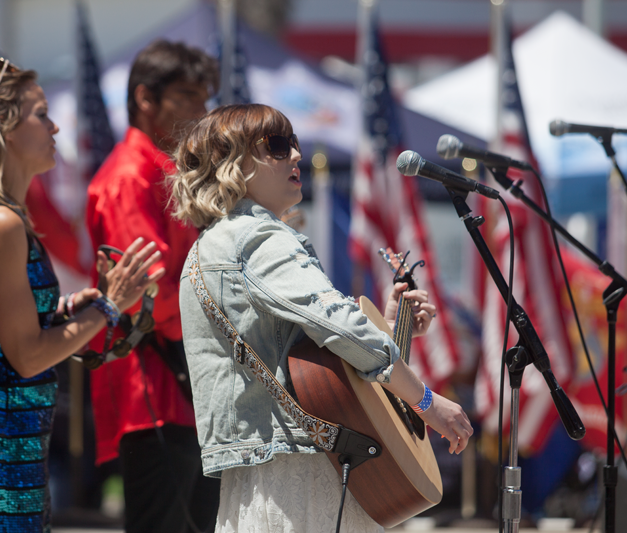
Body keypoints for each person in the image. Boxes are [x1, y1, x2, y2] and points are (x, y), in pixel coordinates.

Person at [171, 104, 474, 532]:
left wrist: (384, 327)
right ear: (233, 163)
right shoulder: (258, 238)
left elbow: (308, 351)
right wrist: (425, 401)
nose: (295, 154)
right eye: (277, 146)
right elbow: (339, 326)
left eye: (294, 143)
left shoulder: (206, 249)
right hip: (301, 478)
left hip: (261, 472)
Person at [0, 58, 164, 533]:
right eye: (41, 114)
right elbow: (27, 356)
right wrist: (108, 303)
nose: (56, 125)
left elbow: (5, 337)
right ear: (4, 128)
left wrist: (77, 307)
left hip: (7, 448)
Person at [85, 39, 220, 533]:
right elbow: (150, 297)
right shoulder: (128, 178)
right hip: (154, 391)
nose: (202, 111)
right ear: (146, 98)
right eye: (188, 97)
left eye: (204, 97)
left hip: (190, 391)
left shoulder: (170, 172)